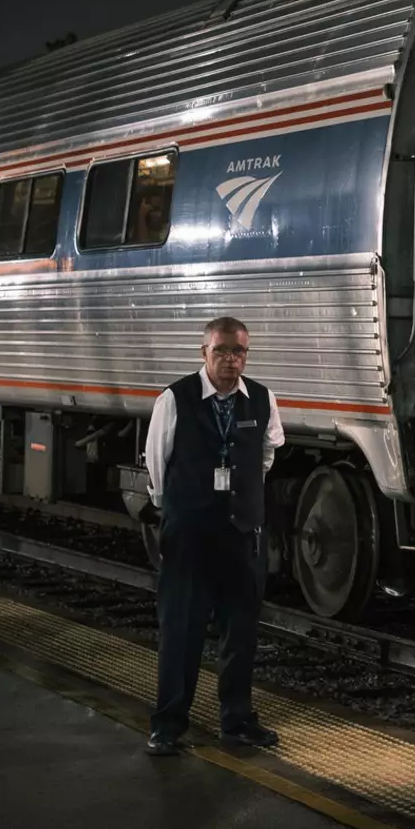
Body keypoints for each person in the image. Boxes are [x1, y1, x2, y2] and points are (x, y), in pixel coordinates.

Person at [139, 316, 286, 756]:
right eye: (220, 350)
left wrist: (243, 502)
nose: (230, 359)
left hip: (241, 536)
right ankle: (168, 724)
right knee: (180, 630)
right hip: (190, 535)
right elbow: (157, 464)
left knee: (240, 631)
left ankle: (237, 721)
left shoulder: (262, 399)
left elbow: (266, 455)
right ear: (204, 352)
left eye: (238, 351)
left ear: (246, 355)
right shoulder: (175, 398)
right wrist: (181, 508)